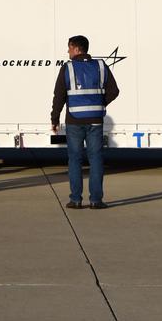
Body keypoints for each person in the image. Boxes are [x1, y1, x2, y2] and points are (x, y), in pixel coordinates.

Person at [51, 34, 119, 210]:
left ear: (75, 48)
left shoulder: (68, 68)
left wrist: (55, 118)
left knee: (75, 159)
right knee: (95, 158)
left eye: (68, 48)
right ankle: (96, 201)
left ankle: (76, 200)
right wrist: (100, 102)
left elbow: (59, 96)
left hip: (74, 120)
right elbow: (114, 91)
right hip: (96, 119)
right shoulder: (101, 66)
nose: (67, 51)